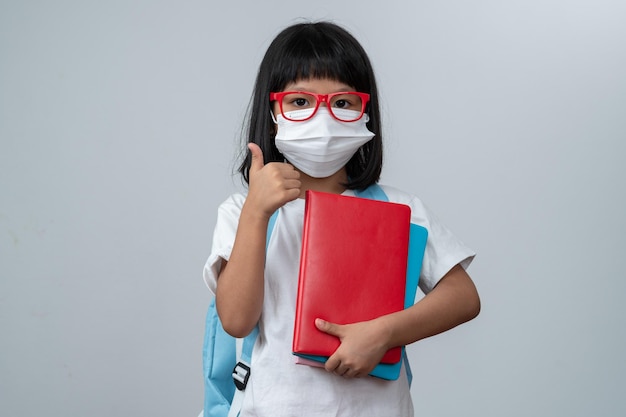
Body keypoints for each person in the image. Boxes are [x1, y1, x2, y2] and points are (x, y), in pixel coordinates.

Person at [203, 21, 480, 417]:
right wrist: (257, 213)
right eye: (300, 101)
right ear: (272, 111)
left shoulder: (399, 208)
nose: (323, 118)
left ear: (365, 111)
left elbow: (464, 297)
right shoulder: (241, 211)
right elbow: (236, 319)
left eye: (342, 102)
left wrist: (385, 332)